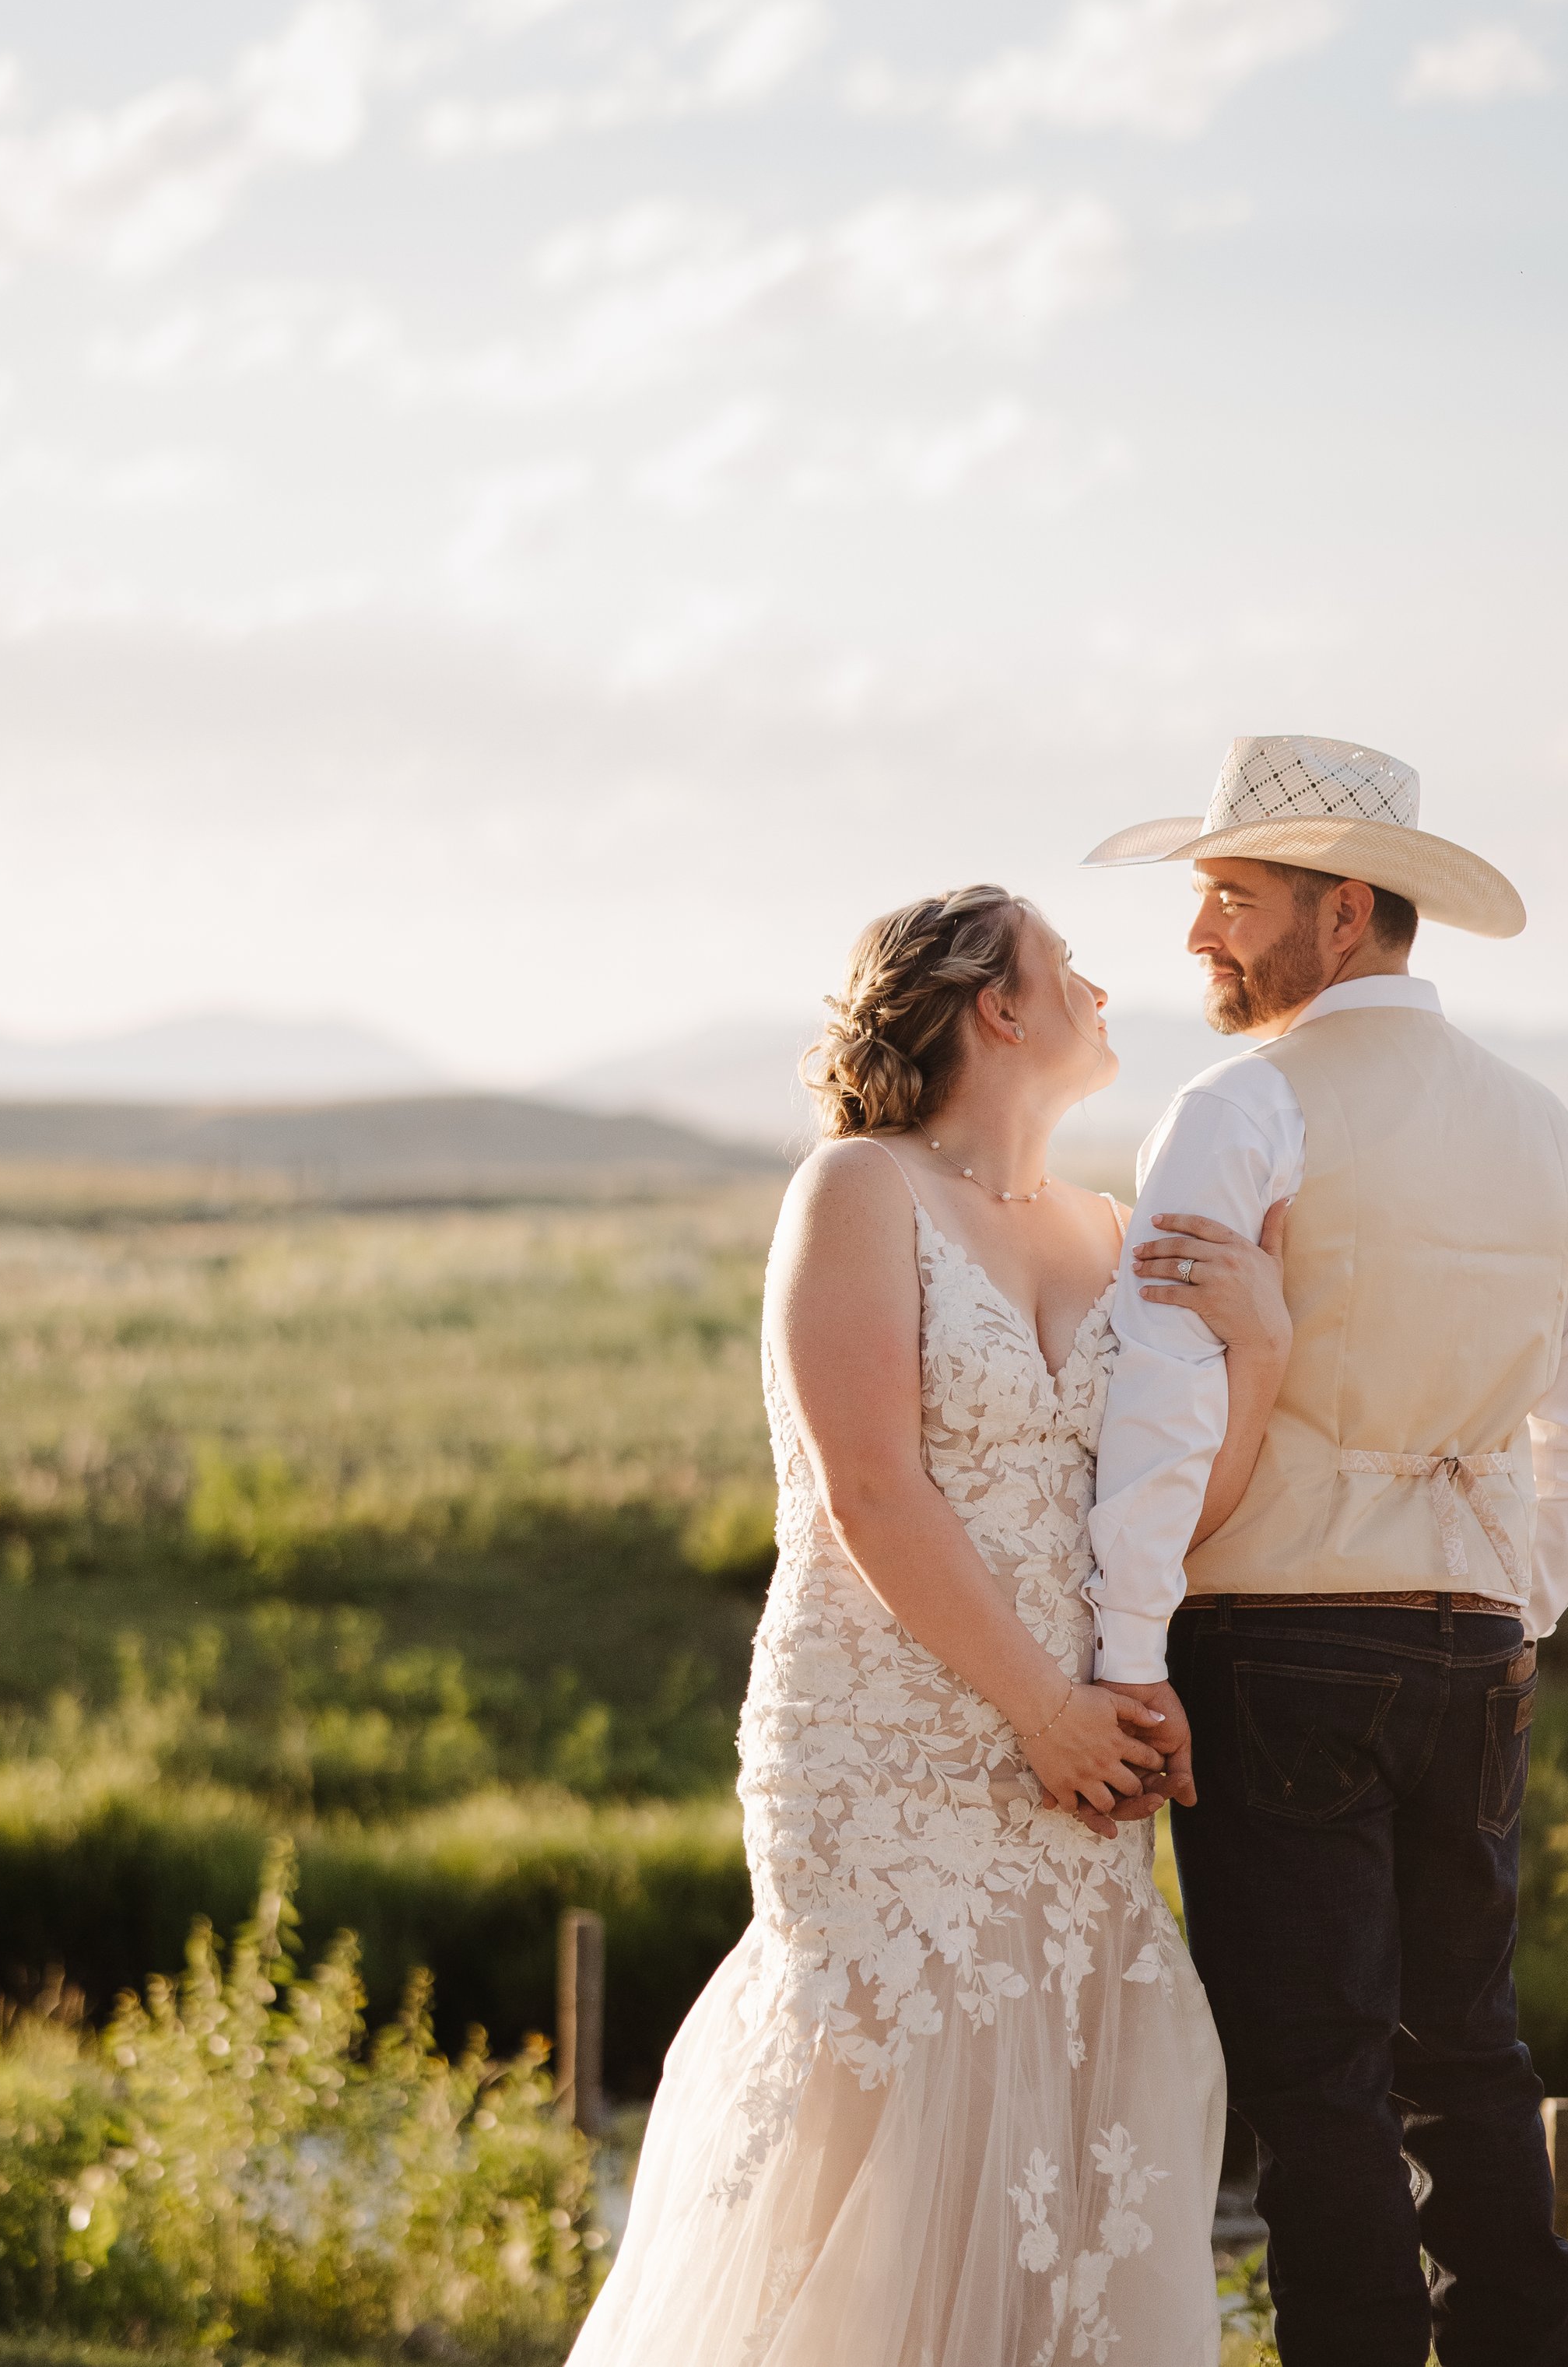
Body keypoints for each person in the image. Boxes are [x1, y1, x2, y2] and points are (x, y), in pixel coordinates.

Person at [571, 883, 1293, 2367]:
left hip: (1072, 1775)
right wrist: (1043, 1704)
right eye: (1068, 963)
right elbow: (870, 1488)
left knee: (1066, 2158)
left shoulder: (1108, 1230)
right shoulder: (857, 1189)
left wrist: (1263, 1346)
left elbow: (1160, 1513)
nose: (1106, 984)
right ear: (996, 1006)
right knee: (879, 2176)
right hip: (885, 1752)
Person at [1083, 734, 1568, 2367]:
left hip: (1269, 1639)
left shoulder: (1239, 1107)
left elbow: (1162, 1408)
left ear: (1339, 915)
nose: (1198, 939)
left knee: (1315, 2076)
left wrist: (1122, 1659)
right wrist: (1506, 1605)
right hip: (1470, 1641)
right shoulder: (1556, 1137)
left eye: (1228, 900)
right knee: (1467, 2050)